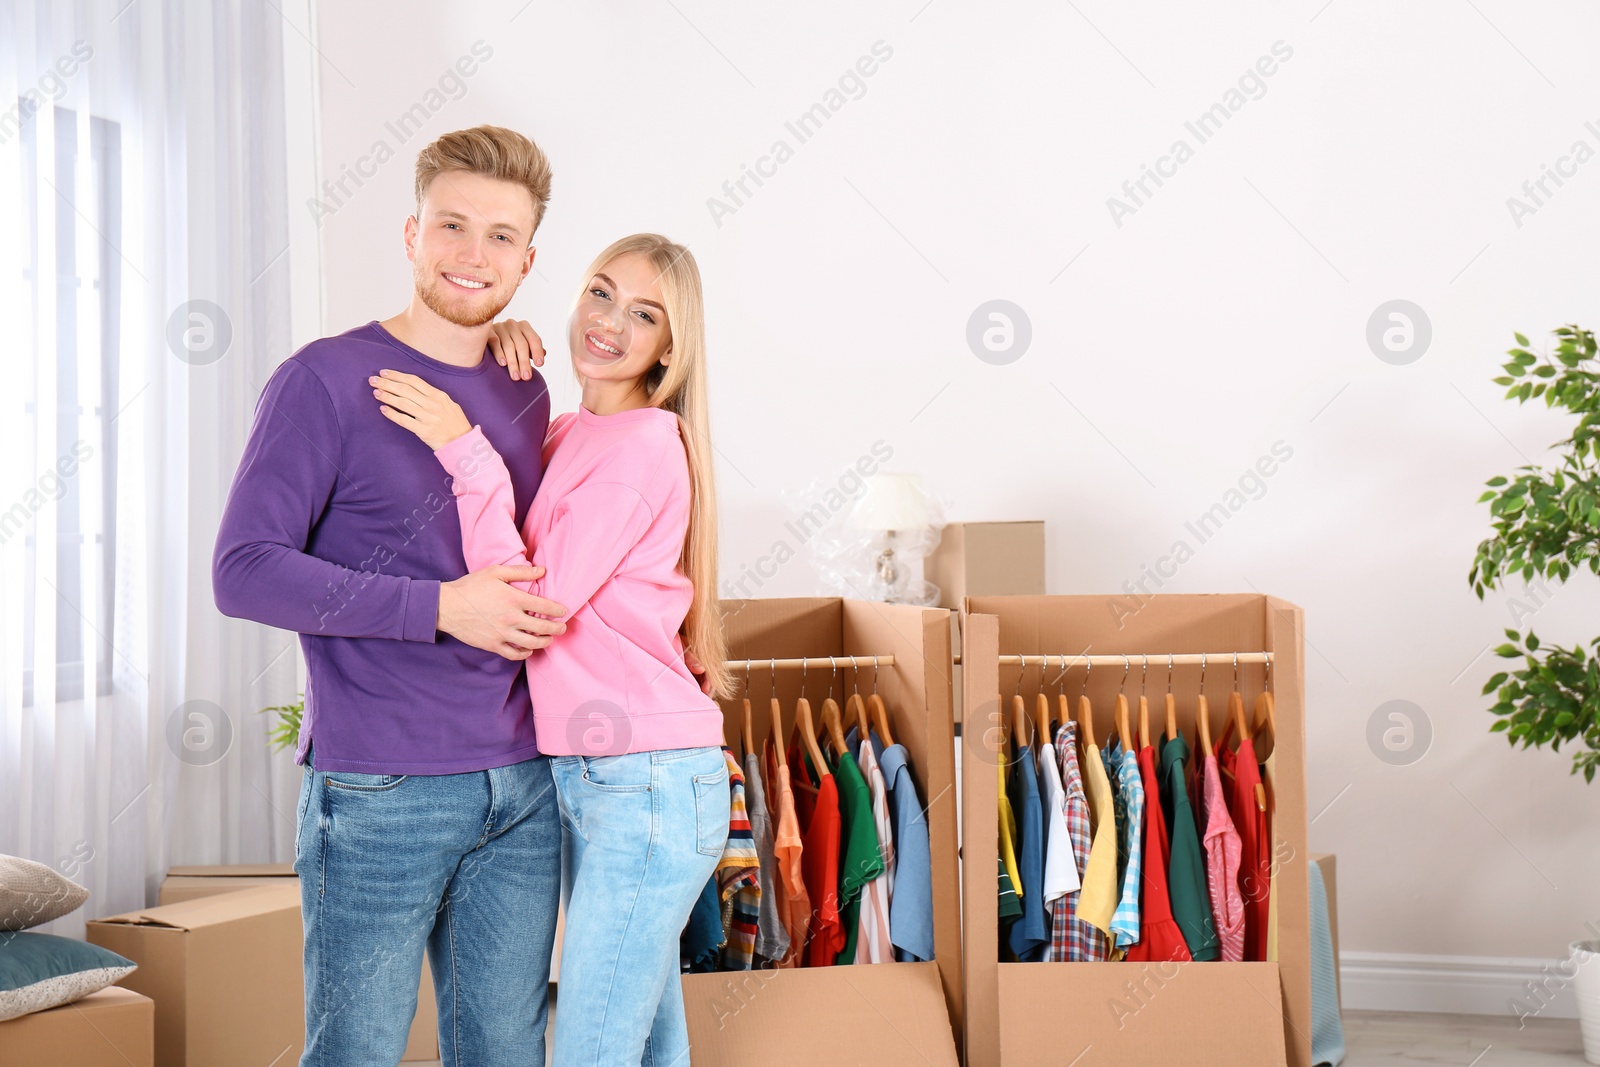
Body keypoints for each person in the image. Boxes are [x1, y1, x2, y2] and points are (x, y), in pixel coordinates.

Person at [213, 125, 570, 1067]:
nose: (472, 253)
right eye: (452, 224)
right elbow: (243, 567)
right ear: (410, 233)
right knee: (356, 1053)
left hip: (524, 785)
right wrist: (442, 607)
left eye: (500, 236)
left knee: (506, 1052)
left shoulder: (524, 382)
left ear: (528, 261)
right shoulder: (322, 380)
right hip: (380, 788)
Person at [368, 232, 732, 1065]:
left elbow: (532, 606)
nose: (609, 323)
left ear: (669, 348)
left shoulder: (640, 446)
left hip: (645, 783)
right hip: (614, 777)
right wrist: (505, 360)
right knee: (645, 1048)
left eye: (643, 315)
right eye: (599, 293)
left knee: (593, 1049)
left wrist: (463, 446)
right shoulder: (572, 431)